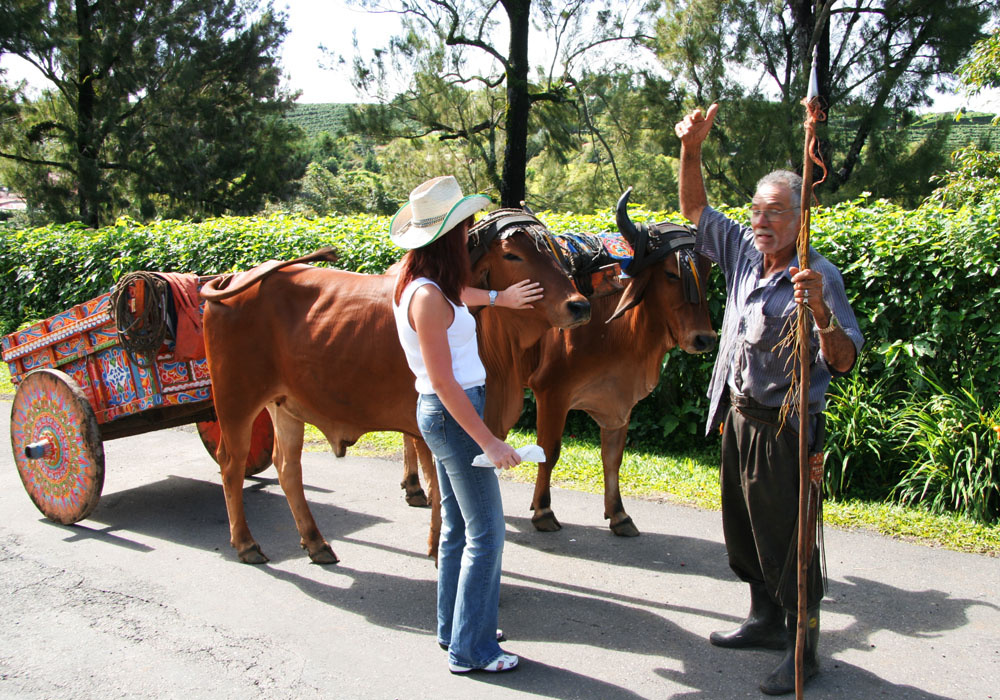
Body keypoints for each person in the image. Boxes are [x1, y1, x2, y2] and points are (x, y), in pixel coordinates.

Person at [675, 104, 864, 695]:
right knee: (745, 531)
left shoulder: (817, 276)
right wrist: (691, 149)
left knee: (790, 542)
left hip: (787, 430)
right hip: (740, 418)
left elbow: (844, 360)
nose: (761, 221)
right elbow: (696, 211)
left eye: (775, 212)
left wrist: (822, 314)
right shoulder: (744, 255)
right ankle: (763, 621)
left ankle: (803, 650)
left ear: (801, 217)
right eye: (757, 210)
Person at [390, 175, 540, 674]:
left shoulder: (423, 283)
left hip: (445, 413)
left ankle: (454, 628)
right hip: (453, 414)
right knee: (488, 534)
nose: (470, 233)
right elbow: (443, 381)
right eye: (464, 227)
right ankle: (472, 650)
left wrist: (500, 299)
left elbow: (458, 293)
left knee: (457, 528)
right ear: (448, 237)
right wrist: (489, 441)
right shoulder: (428, 298)